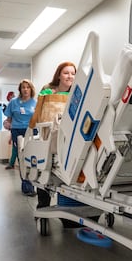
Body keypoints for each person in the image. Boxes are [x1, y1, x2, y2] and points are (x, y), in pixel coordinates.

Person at [36, 62, 83, 228]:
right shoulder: (48, 90)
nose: (70, 76)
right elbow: (38, 115)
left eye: (72, 73)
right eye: (66, 73)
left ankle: (71, 212)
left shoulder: (78, 94)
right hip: (51, 135)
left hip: (71, 138)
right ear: (59, 75)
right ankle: (43, 205)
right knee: (44, 171)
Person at [2, 79, 36, 170]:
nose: (25, 89)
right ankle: (22, 169)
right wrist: (6, 123)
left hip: (31, 129)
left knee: (31, 150)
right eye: (23, 87)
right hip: (17, 130)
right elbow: (8, 119)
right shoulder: (13, 102)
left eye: (28, 87)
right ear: (20, 90)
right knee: (18, 151)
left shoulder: (35, 102)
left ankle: (31, 169)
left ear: (31, 89)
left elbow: (39, 118)